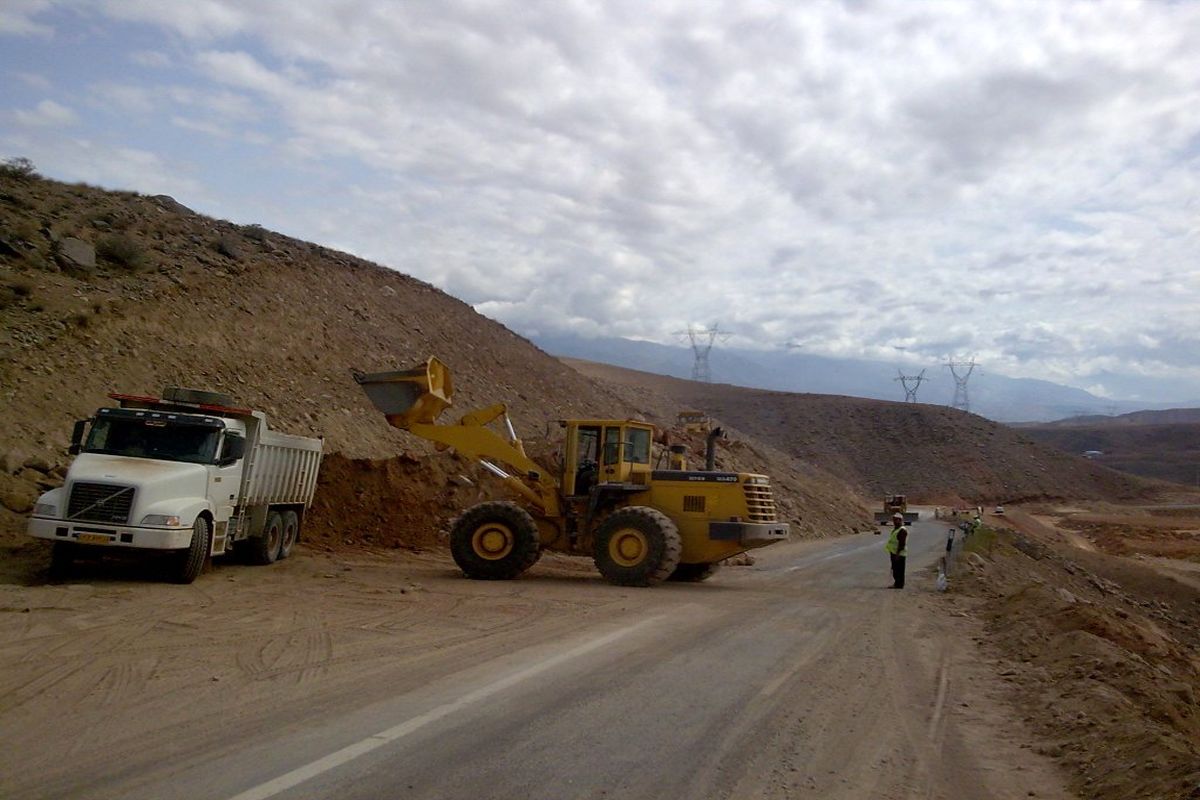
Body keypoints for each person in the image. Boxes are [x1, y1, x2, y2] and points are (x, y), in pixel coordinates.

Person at [885, 512, 908, 589]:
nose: (894, 521)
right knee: (895, 569)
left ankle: (899, 584)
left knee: (899, 570)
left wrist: (897, 554)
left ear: (899, 520)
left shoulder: (902, 530)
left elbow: (902, 543)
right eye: (893, 519)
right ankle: (897, 583)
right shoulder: (897, 529)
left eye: (895, 520)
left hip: (899, 553)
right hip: (895, 552)